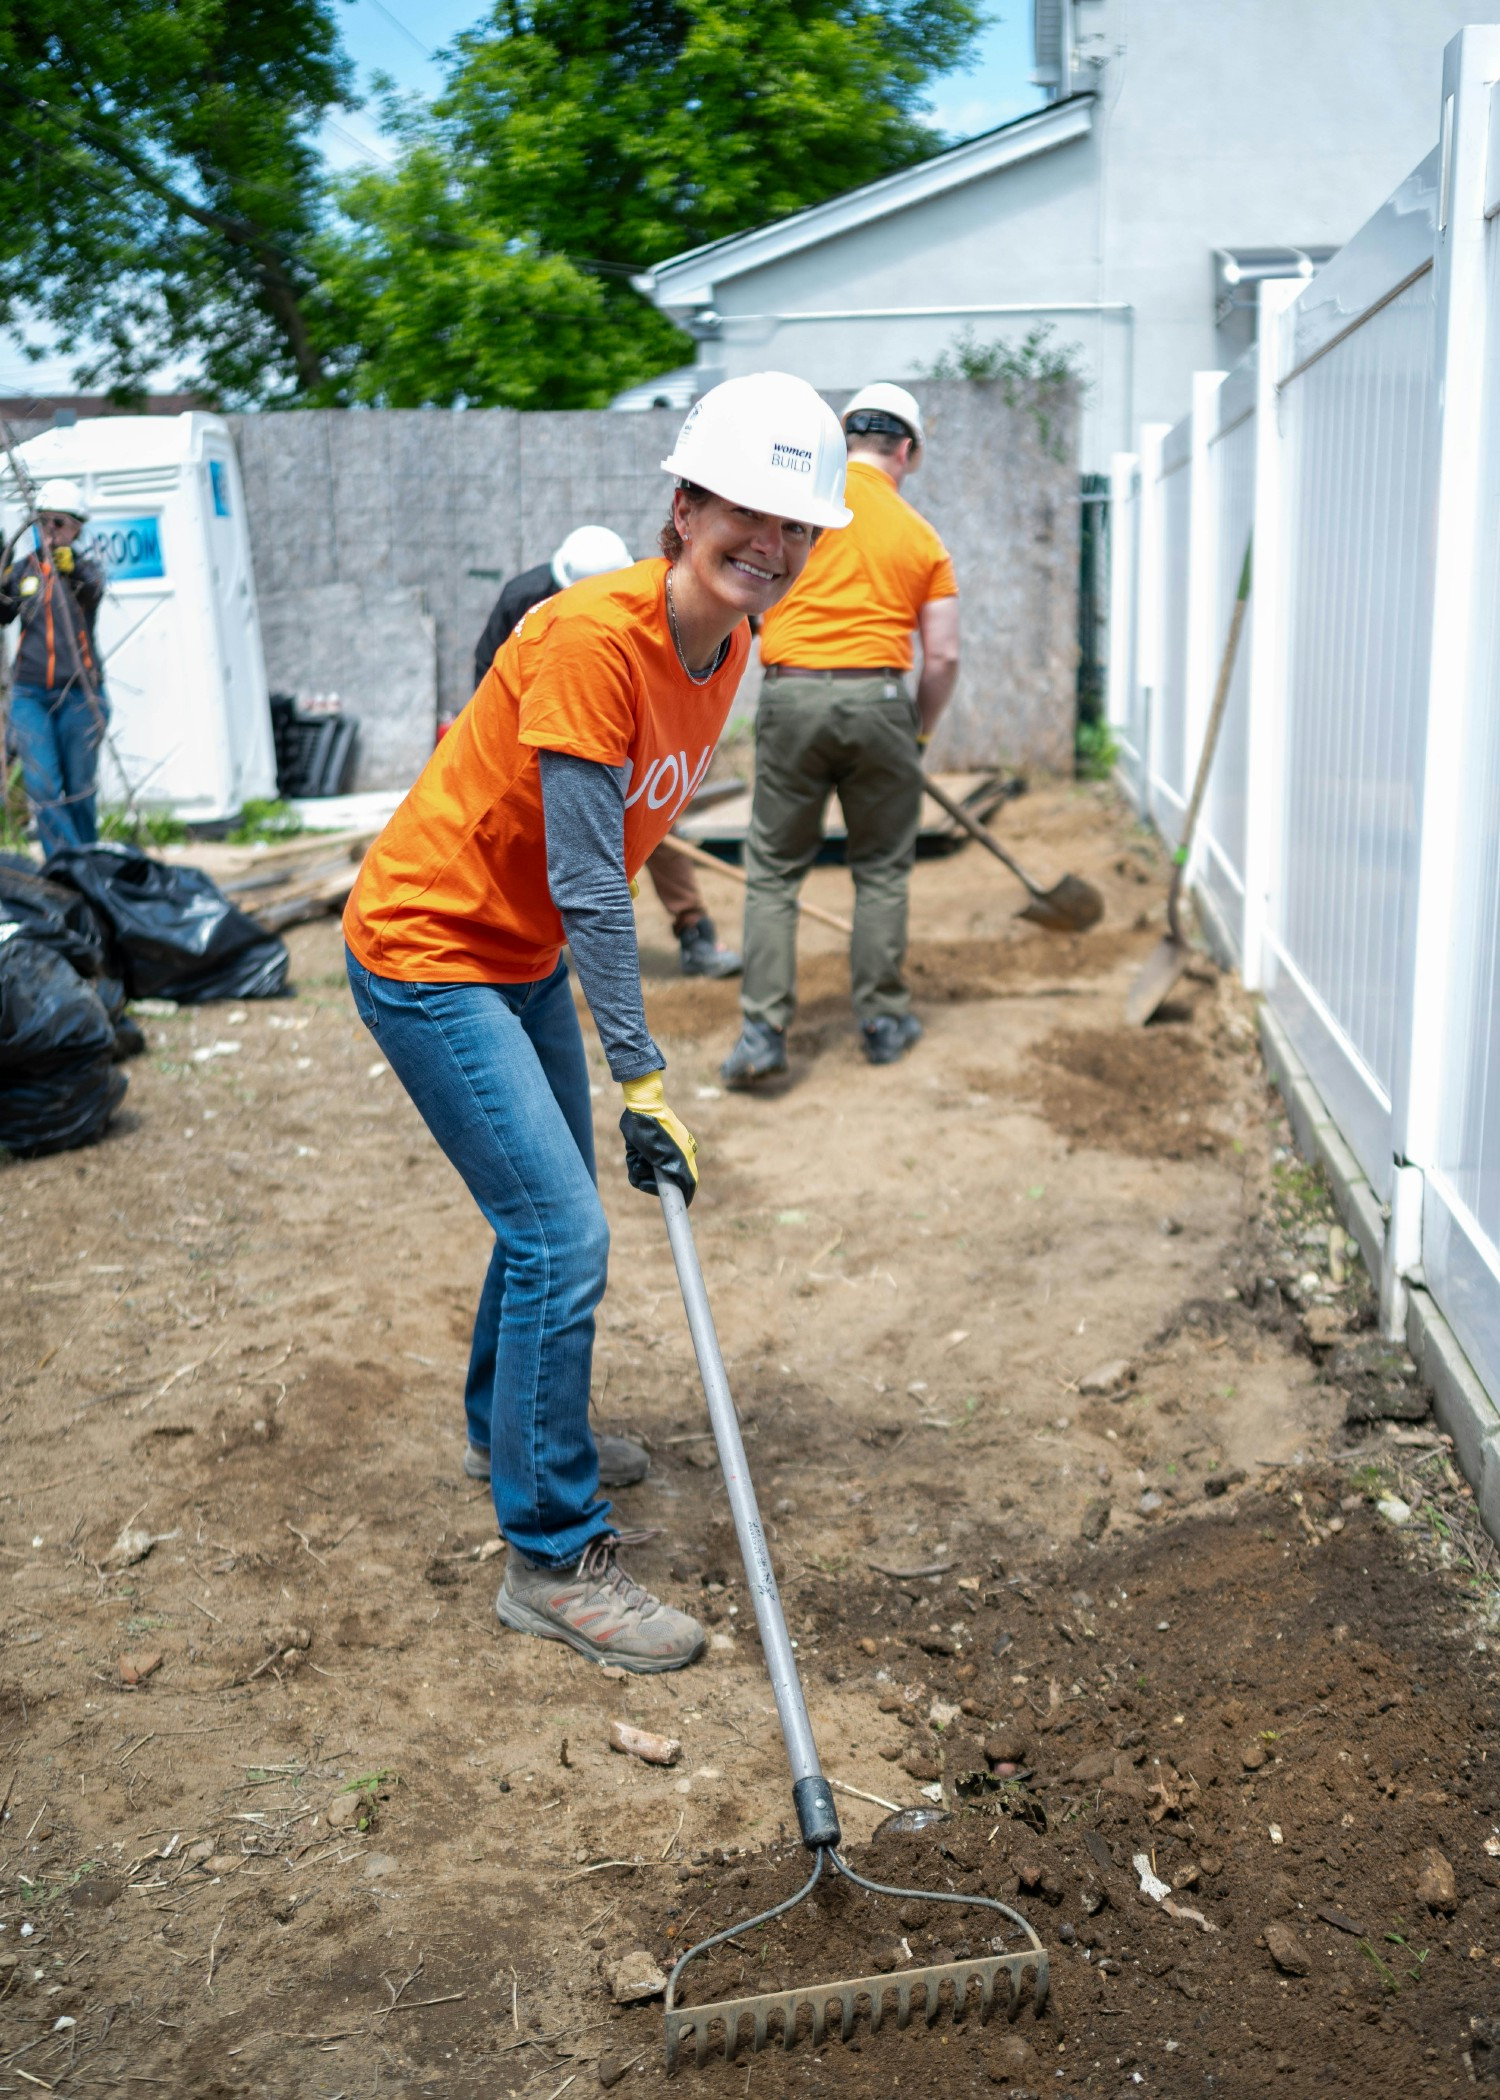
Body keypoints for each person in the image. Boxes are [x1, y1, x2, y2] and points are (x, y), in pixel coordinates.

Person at [343, 372, 850, 1674]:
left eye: (796, 527)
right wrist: (643, 1072)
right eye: (748, 514)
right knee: (562, 1230)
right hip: (430, 948)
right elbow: (586, 875)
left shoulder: (729, 645)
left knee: (541, 1217)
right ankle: (554, 1556)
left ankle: (502, 1433)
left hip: (520, 953)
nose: (773, 547)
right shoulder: (589, 639)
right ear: (684, 508)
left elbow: (623, 849)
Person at [721, 382, 961, 1082]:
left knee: (772, 873)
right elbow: (942, 656)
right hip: (882, 699)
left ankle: (763, 1034)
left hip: (792, 693)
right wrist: (914, 735)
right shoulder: (921, 537)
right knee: (881, 870)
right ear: (906, 451)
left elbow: (754, 599)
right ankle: (883, 1022)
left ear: (846, 439)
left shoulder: (799, 516)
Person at [474, 526, 741, 981]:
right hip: (537, 733)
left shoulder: (647, 603)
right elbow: (487, 684)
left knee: (653, 818)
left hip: (624, 727)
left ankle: (695, 931)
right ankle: (527, 949)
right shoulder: (524, 598)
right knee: (539, 837)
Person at [0, 479, 108, 860]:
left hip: (79, 693)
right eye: (44, 522)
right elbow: (3, 613)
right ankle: (64, 864)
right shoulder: (21, 572)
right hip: (31, 694)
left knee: (79, 786)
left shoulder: (87, 572)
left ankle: (88, 864)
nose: (51, 531)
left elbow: (93, 591)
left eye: (60, 523)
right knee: (43, 787)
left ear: (77, 527)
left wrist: (71, 568)